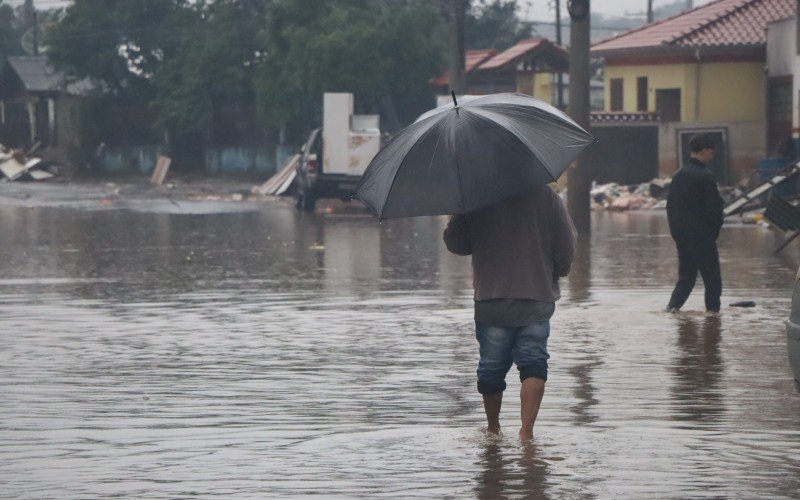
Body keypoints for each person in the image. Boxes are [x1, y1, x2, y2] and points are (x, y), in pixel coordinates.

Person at [443, 185, 576, 441]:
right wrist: (558, 270)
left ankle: (493, 429)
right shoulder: (546, 196)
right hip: (536, 292)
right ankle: (527, 433)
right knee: (534, 363)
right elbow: (566, 243)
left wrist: (456, 211)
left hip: (492, 297)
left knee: (491, 368)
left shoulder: (475, 197)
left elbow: (457, 244)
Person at [666, 133, 724, 313]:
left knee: (686, 277)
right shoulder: (706, 176)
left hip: (682, 236)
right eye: (711, 153)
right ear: (705, 151)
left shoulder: (678, 175)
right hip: (703, 236)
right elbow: (714, 209)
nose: (711, 156)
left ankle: (672, 309)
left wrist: (677, 233)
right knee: (713, 280)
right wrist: (713, 233)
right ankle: (713, 317)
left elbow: (671, 208)